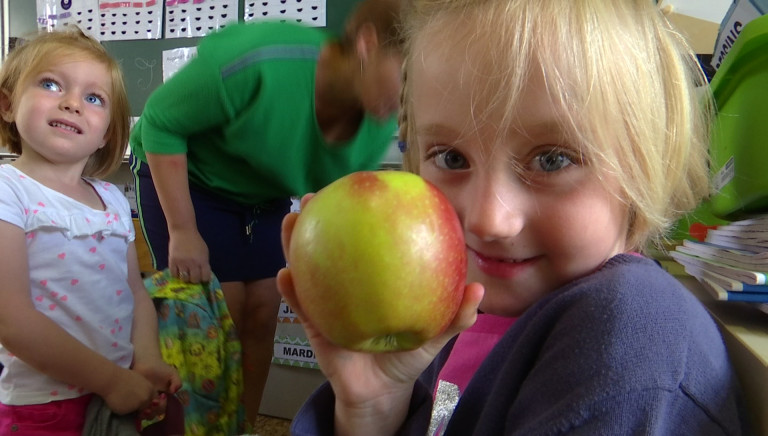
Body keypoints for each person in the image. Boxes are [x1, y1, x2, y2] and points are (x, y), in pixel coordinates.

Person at [278, 0, 750, 434]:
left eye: (552, 160)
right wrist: (375, 406)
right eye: (451, 157)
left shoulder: (627, 342)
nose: (488, 221)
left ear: (645, 166)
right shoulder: (462, 309)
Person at [129, 0, 404, 425]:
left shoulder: (378, 118)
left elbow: (333, 204)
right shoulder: (259, 61)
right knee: (218, 312)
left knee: (262, 310)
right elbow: (163, 123)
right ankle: (196, 430)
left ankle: (242, 427)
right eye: (409, 76)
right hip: (188, 177)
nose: (409, 100)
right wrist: (183, 231)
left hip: (261, 195)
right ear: (368, 45)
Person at [0, 28, 181, 435]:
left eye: (93, 98)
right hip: (43, 407)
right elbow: (11, 319)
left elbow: (135, 293)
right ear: (8, 105)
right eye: (51, 84)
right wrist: (111, 380)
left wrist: (148, 360)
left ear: (107, 134)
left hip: (118, 397)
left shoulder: (113, 199)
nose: (71, 103)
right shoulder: (8, 191)